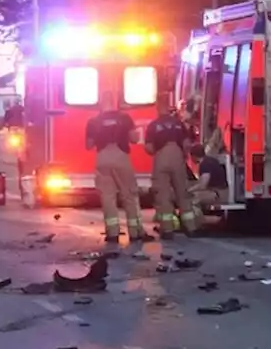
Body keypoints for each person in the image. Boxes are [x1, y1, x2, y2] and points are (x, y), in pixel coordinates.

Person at [86, 92, 149, 244]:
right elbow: (134, 139)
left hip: (102, 158)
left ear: (100, 103)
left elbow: (89, 145)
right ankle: (135, 232)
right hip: (121, 157)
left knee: (107, 197)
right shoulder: (124, 118)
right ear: (114, 103)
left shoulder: (93, 121)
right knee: (129, 194)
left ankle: (112, 234)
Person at [144, 101, 200, 239]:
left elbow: (149, 148)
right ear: (169, 109)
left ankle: (167, 229)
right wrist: (182, 156)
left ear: (158, 109)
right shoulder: (178, 124)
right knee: (182, 192)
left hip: (161, 158)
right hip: (177, 157)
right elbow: (187, 144)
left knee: (163, 195)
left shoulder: (153, 126)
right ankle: (191, 227)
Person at [190, 133, 229, 211]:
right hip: (222, 192)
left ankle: (197, 220)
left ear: (194, 156)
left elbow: (203, 185)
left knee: (192, 199)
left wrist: (188, 190)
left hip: (218, 194)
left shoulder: (205, 165)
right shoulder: (210, 160)